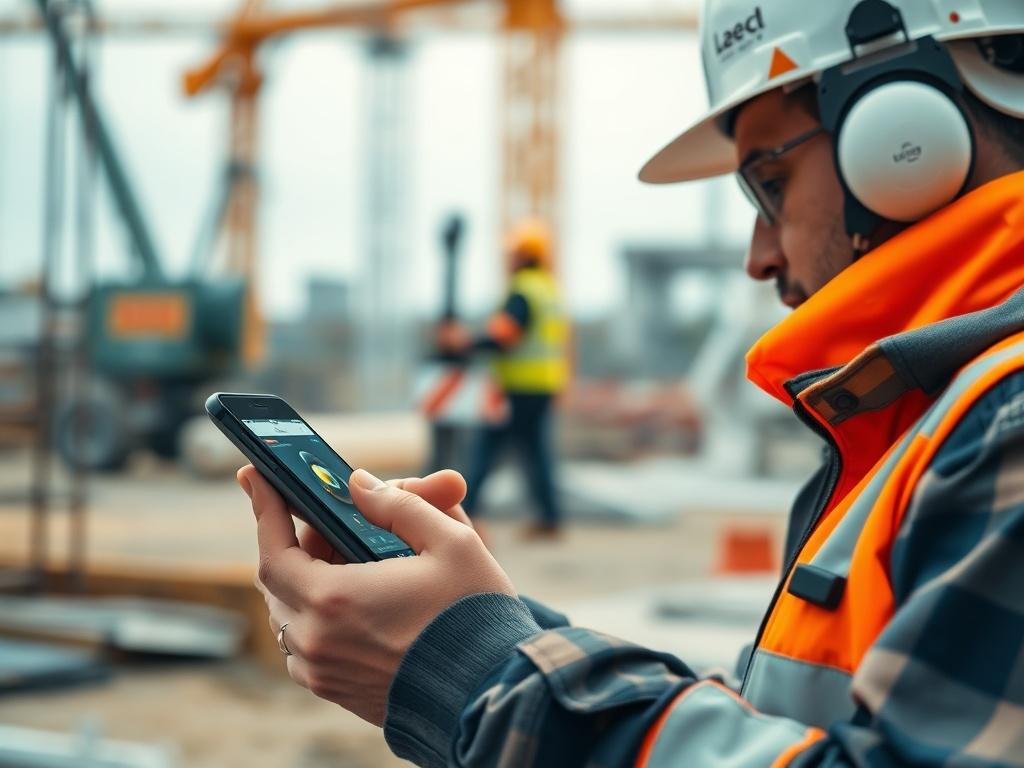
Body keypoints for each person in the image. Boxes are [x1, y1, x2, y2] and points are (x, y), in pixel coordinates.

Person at [237, 1, 1024, 765]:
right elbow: (790, 727)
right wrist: (486, 627)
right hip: (532, 399)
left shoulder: (1006, 422)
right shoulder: (920, 428)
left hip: (525, 396)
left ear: (902, 136)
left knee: (525, 467)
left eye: (770, 183)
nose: (759, 256)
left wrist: (471, 672)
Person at [436, 219, 570, 540]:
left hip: (517, 387)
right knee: (536, 451)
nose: (507, 259)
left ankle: (464, 514)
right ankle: (550, 517)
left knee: (485, 449)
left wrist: (465, 343)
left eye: (512, 253)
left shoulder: (523, 290)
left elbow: (504, 336)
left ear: (522, 255)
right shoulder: (548, 289)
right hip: (543, 385)